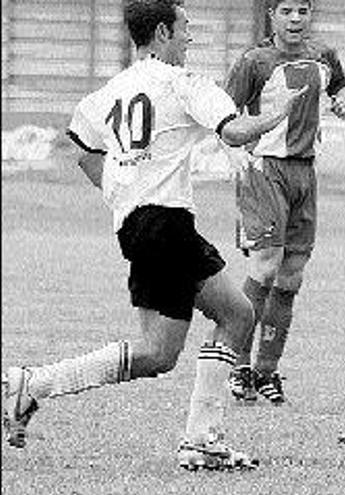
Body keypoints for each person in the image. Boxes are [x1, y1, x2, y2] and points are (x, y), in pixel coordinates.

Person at [1, 0, 307, 470]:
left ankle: (37, 385)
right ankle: (196, 440)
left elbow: (82, 149)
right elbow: (235, 132)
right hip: (166, 223)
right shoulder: (184, 84)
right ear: (163, 32)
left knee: (187, 338)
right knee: (213, 327)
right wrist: (278, 113)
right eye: (186, 29)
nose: (190, 39)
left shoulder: (111, 90)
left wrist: (124, 191)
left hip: (137, 225)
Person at [223, 0, 345, 405]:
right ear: (271, 16)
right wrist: (236, 156)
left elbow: (341, 84)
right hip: (265, 170)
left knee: (291, 277)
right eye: (286, 11)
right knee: (264, 267)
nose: (295, 19)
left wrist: (344, 98)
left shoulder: (323, 55)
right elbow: (224, 115)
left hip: (304, 173)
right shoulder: (255, 61)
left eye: (302, 10)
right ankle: (238, 366)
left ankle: (266, 371)